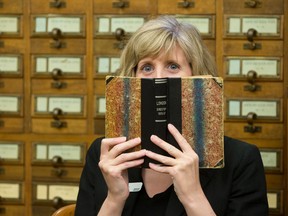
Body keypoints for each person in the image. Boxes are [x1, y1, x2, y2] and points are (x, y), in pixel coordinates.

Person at [75, 16, 269, 216]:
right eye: (147, 67)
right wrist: (114, 198)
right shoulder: (104, 155)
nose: (159, 77)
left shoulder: (241, 160)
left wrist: (192, 196)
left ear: (197, 75)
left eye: (173, 66)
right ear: (131, 78)